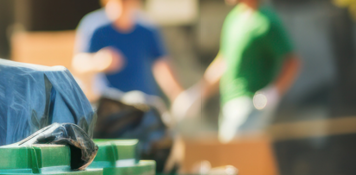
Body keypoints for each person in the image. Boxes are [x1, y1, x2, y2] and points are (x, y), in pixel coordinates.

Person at [173, 0, 300, 142]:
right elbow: (224, 61)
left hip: (252, 103)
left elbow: (292, 61)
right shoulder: (233, 19)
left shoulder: (266, 22)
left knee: (234, 152)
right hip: (228, 103)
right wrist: (198, 92)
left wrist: (274, 91)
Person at [72, 0, 184, 99]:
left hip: (143, 102)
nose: (124, 4)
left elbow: (161, 66)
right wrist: (99, 61)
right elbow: (78, 63)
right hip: (109, 103)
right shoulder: (95, 26)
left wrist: (177, 95)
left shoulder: (147, 29)